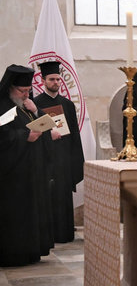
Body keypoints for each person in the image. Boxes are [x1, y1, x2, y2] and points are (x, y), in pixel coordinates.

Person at [0, 65, 54, 266]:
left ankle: (31, 251)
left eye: (28, 91)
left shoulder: (26, 105)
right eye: (22, 91)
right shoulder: (2, 105)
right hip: (11, 176)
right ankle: (13, 255)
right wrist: (25, 137)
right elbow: (4, 137)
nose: (26, 94)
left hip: (31, 171)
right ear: (10, 88)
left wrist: (36, 110)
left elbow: (45, 126)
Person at [34, 61, 84, 243]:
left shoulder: (68, 104)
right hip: (46, 158)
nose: (56, 82)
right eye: (52, 79)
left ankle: (64, 234)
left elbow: (74, 134)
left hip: (64, 158)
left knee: (63, 196)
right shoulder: (35, 104)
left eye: (58, 79)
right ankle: (48, 236)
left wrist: (76, 160)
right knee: (47, 197)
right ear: (43, 80)